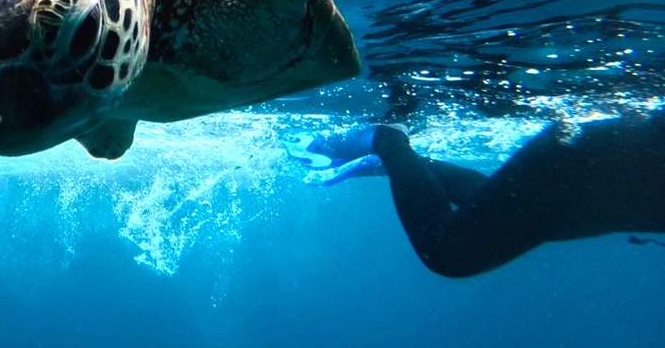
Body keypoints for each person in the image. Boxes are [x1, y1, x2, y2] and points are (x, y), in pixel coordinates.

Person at [285, 113, 665, 278]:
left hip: (594, 166)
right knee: (449, 252)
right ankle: (388, 140)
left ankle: (402, 162)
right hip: (589, 163)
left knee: (498, 208)